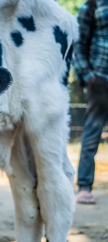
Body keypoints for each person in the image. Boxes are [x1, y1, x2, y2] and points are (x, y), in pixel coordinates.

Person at [73, 0, 108, 204]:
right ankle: (84, 186)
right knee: (92, 135)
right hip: (100, 79)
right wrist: (88, 76)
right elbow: (78, 43)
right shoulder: (93, 5)